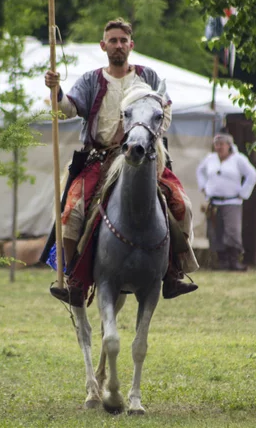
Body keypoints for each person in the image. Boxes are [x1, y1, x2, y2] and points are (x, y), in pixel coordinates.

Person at [44, 17, 199, 306]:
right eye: (112, 40)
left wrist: (148, 136)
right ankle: (72, 279)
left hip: (145, 158)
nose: (118, 45)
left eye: (122, 40)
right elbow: (68, 109)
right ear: (103, 46)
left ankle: (174, 272)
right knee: (71, 212)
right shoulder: (91, 80)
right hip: (100, 159)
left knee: (183, 205)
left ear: (131, 45)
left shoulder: (149, 77)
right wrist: (57, 91)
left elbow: (164, 112)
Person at [196, 131, 256, 271]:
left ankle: (234, 261)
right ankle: (221, 261)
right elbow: (200, 171)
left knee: (232, 231)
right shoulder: (210, 158)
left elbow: (252, 174)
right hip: (214, 202)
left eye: (221, 144)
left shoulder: (238, 159)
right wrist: (204, 188)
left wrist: (243, 193)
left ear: (229, 145)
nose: (218, 147)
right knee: (215, 231)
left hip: (232, 202)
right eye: (216, 144)